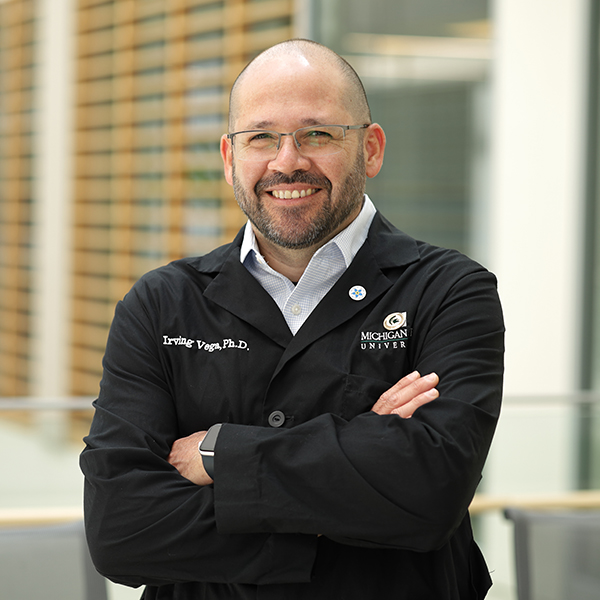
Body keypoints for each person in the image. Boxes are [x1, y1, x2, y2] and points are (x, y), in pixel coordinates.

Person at [80, 39, 504, 600]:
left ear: (370, 150)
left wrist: (220, 453)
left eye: (318, 134)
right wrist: (356, 480)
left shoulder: (449, 292)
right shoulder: (161, 305)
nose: (287, 161)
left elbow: (431, 491)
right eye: (261, 137)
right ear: (231, 157)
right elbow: (124, 530)